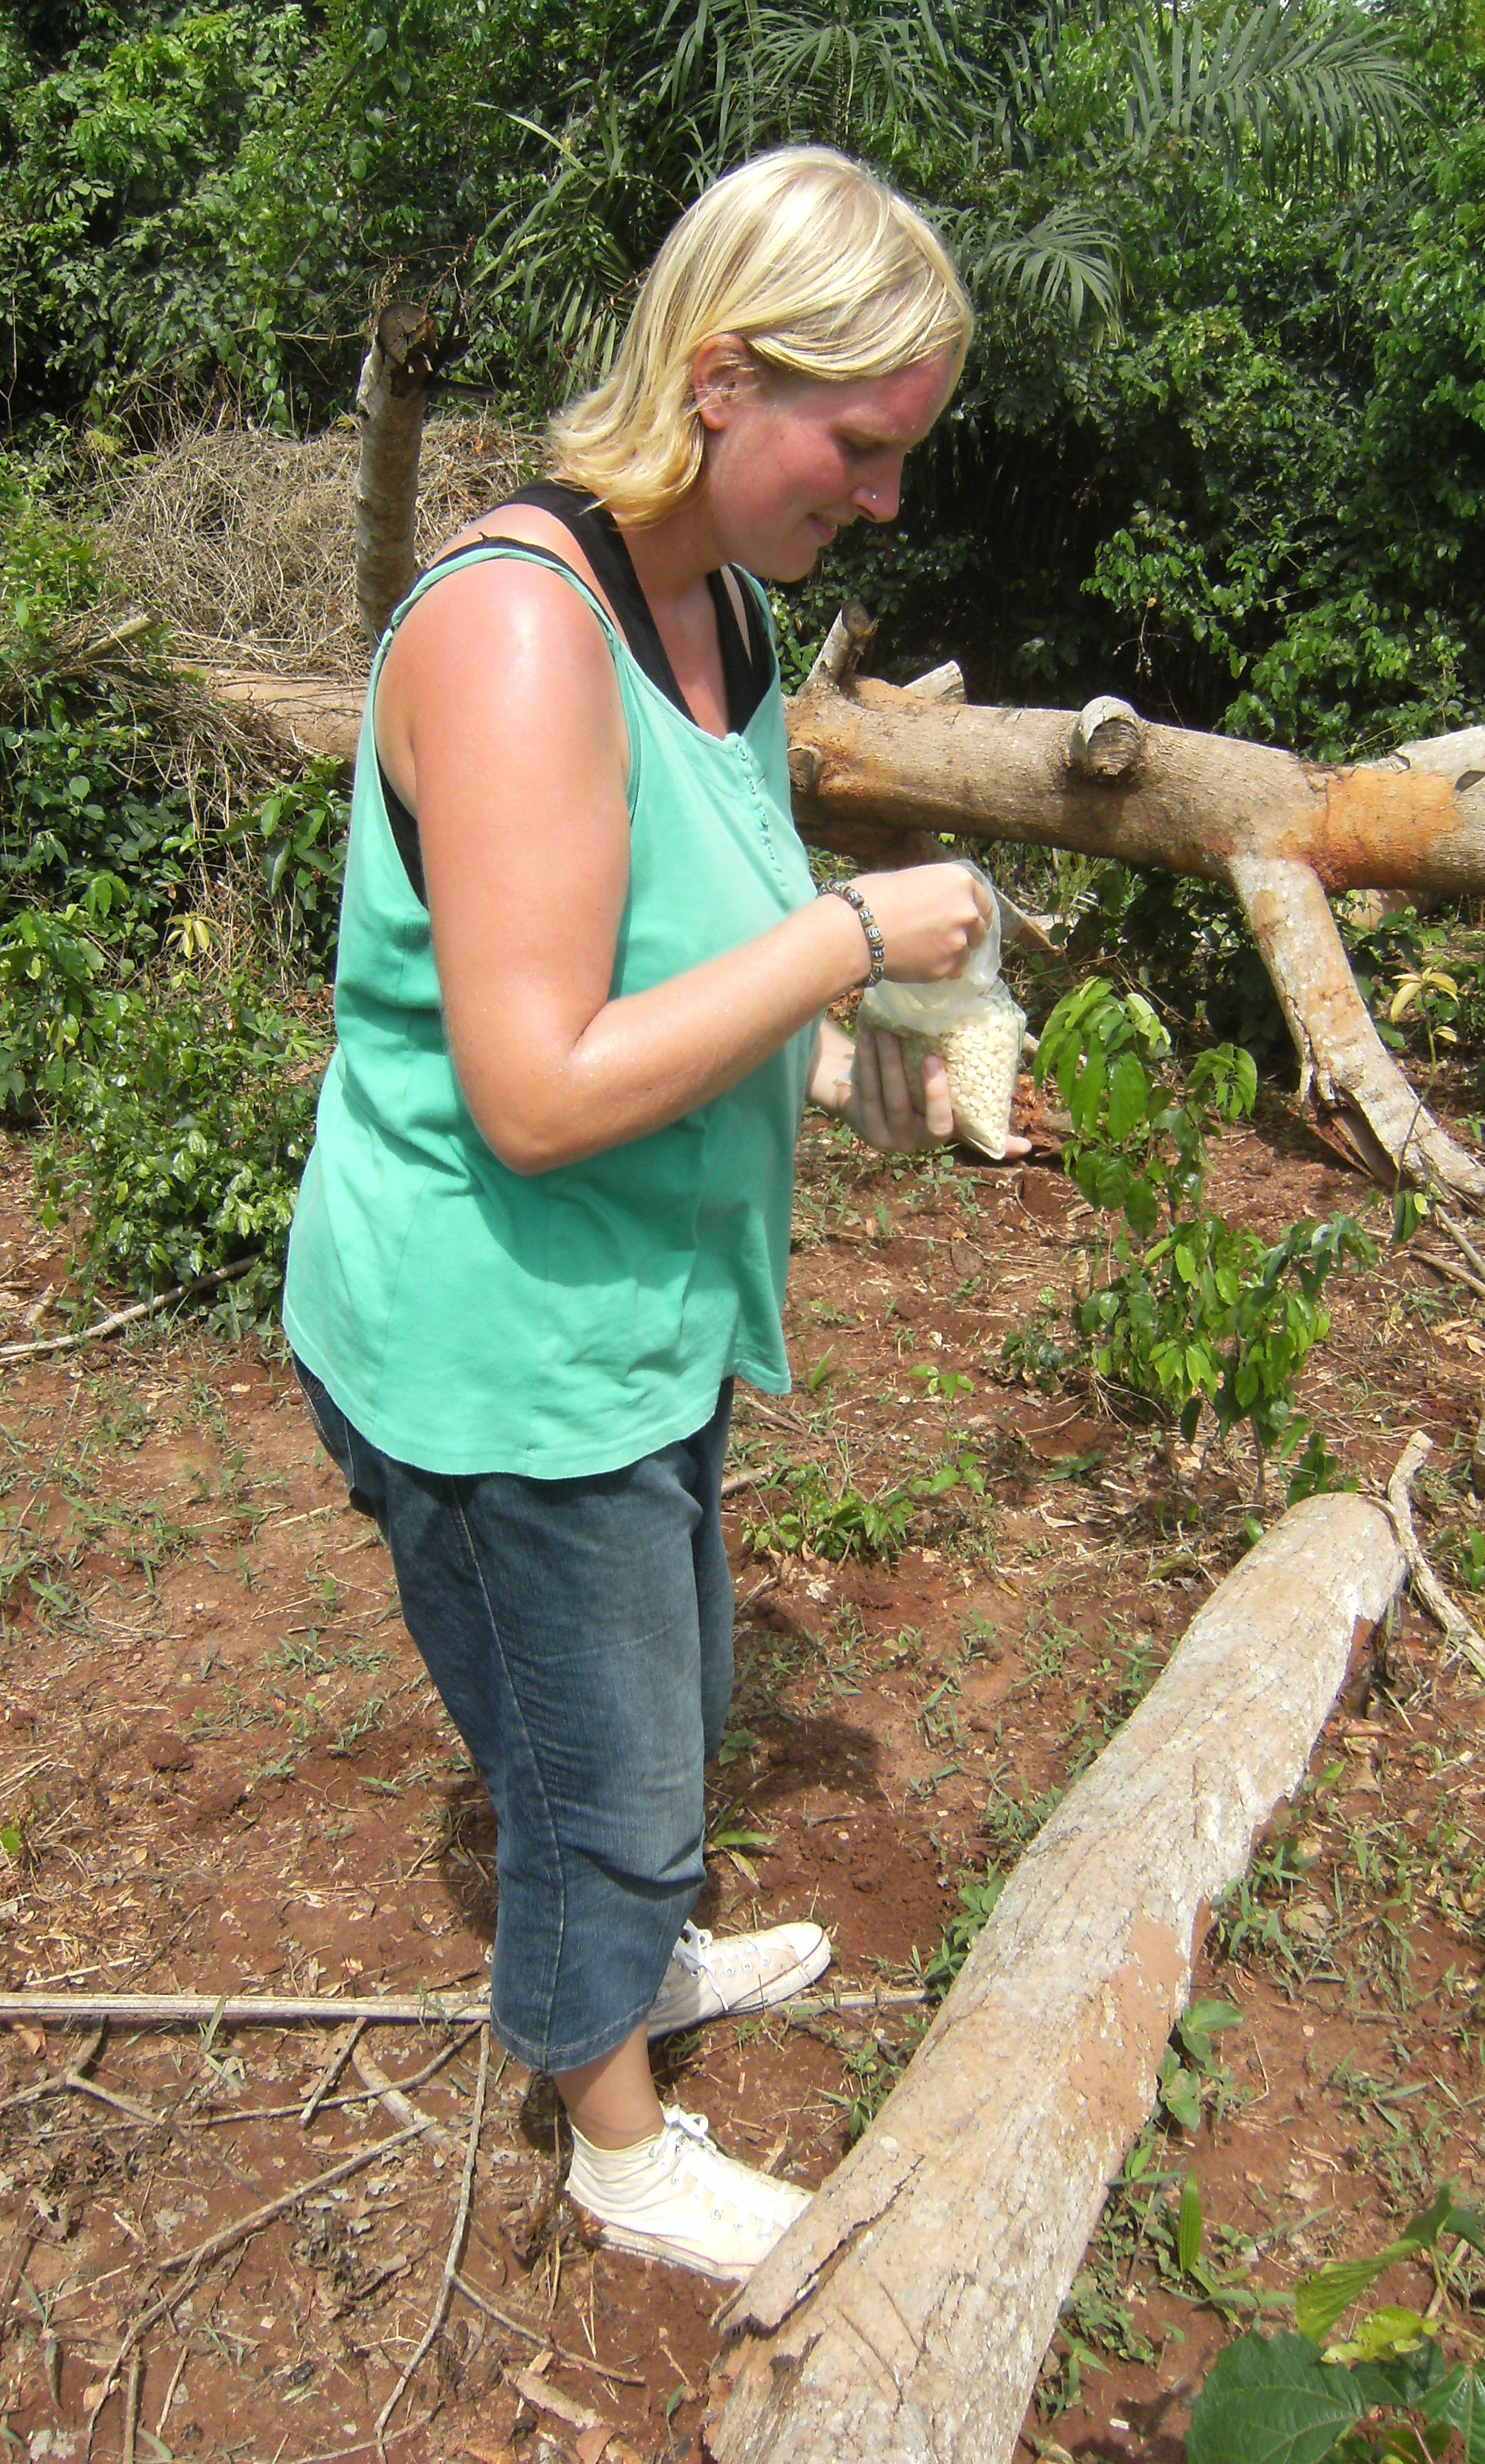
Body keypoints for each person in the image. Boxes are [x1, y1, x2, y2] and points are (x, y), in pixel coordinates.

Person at [281, 144, 1024, 2285]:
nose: (886, 499)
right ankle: (615, 2136)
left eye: (905, 455)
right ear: (721, 377)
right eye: (859, 446)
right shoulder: (524, 633)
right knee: (599, 1773)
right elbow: (533, 1093)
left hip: (642, 1303)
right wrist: (854, 939)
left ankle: (641, 1946)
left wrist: (858, 1068)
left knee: (675, 1695)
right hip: (499, 1342)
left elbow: (678, 967)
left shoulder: (726, 612)